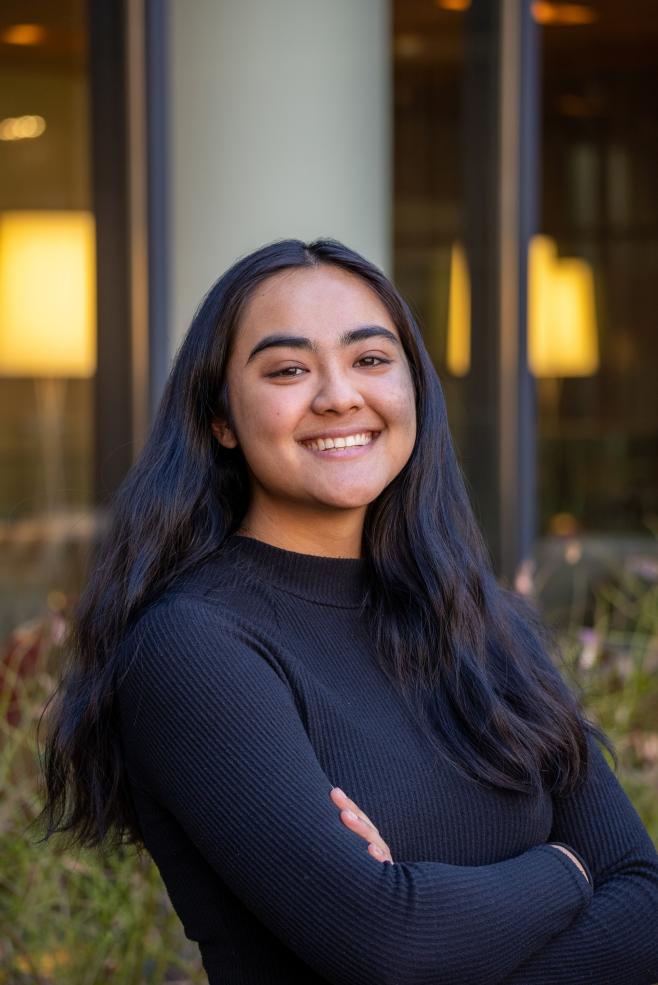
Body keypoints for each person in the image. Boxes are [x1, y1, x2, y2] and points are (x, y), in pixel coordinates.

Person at [40, 239, 658, 984]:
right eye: (288, 369)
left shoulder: (484, 620)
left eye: (370, 359)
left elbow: (646, 902)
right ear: (220, 417)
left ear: (414, 389)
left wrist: (433, 905)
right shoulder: (192, 647)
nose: (339, 395)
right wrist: (566, 868)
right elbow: (390, 944)